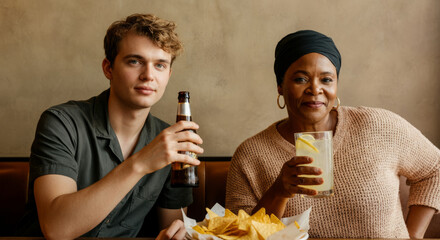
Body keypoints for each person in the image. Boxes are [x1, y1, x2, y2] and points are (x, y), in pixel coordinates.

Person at [225, 30, 440, 239]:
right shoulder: (251, 155)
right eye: (301, 79)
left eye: (326, 79)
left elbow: (435, 168)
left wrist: (414, 234)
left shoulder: (377, 126)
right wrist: (279, 192)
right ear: (280, 86)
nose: (315, 89)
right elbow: (237, 237)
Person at [17, 13, 203, 240]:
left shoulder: (172, 142)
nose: (148, 75)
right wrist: (141, 162)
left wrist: (176, 235)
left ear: (168, 75)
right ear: (108, 68)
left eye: (160, 65)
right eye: (135, 61)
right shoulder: (61, 123)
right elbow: (56, 229)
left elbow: (172, 227)